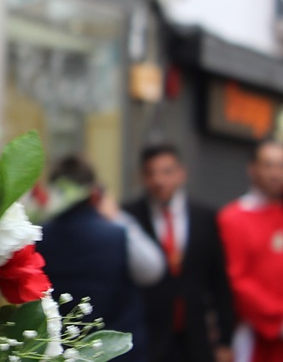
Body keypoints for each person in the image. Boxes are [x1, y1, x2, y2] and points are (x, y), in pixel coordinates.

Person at [37, 155, 164, 362]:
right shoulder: (118, 234)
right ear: (95, 193)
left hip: (60, 352)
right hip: (117, 354)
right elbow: (153, 271)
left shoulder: (39, 237)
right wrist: (116, 215)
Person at [124, 143, 235, 362]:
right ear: (142, 177)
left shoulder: (205, 217)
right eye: (151, 173)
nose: (159, 180)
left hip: (196, 336)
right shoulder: (129, 217)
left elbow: (219, 282)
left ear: (181, 174)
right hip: (148, 335)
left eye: (166, 172)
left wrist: (224, 341)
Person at [218, 141, 283, 362]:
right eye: (269, 165)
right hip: (254, 333)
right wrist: (276, 317)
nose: (276, 174)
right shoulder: (234, 218)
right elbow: (237, 279)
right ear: (252, 169)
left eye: (281, 166)